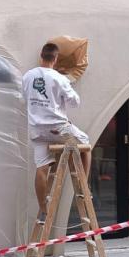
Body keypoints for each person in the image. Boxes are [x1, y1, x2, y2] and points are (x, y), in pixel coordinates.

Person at [23, 42, 90, 218]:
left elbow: (26, 98)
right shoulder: (59, 78)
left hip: (37, 130)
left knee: (42, 167)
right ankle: (84, 186)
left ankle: (43, 207)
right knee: (85, 145)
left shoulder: (28, 76)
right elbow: (75, 102)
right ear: (56, 58)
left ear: (41, 55)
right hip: (57, 128)